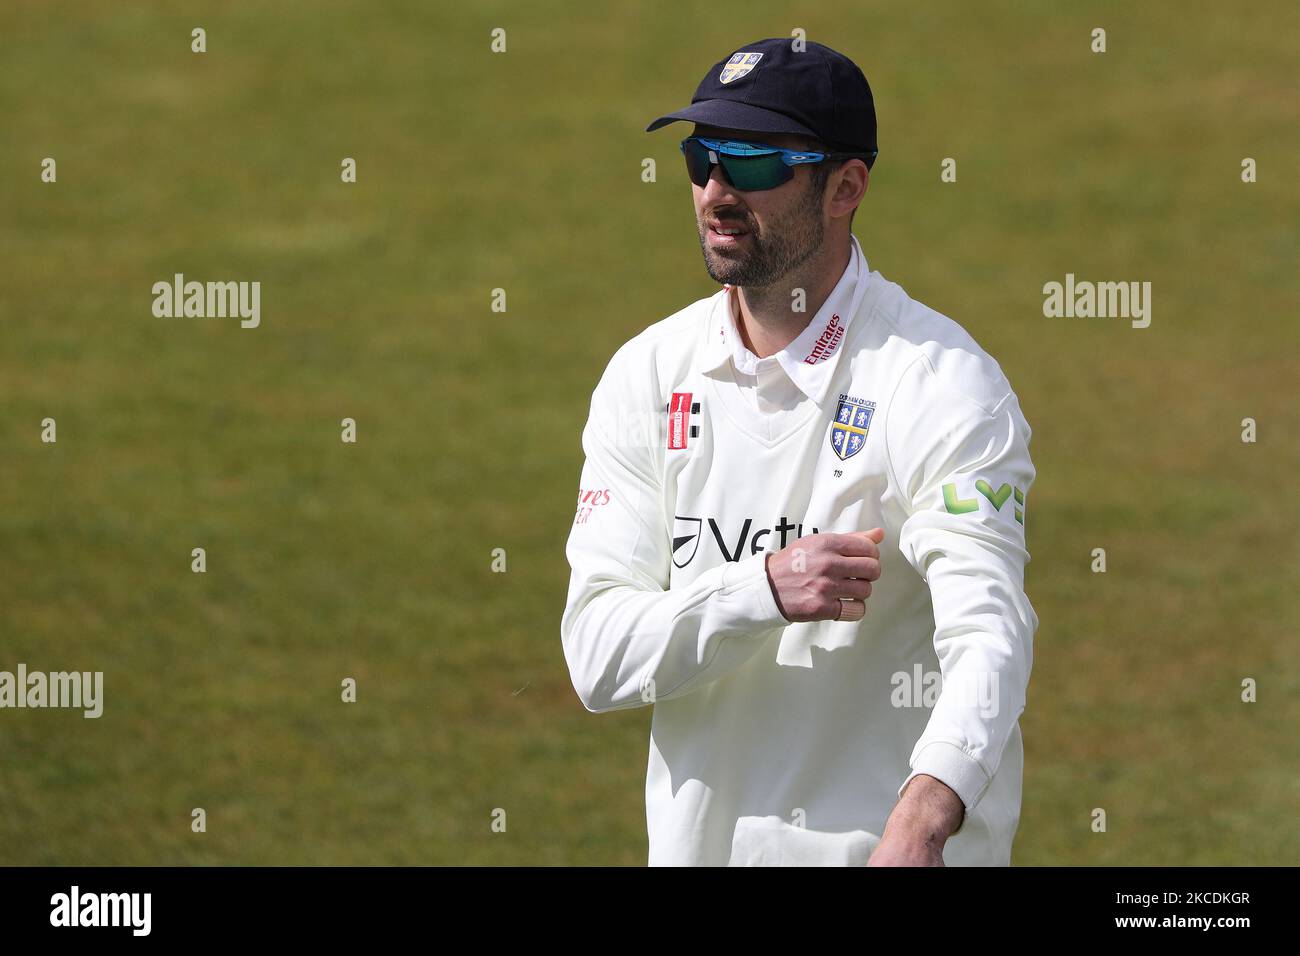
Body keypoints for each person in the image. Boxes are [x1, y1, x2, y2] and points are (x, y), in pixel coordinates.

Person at [561, 37, 1039, 866]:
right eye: (700, 158)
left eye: (752, 164)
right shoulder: (647, 376)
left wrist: (926, 813)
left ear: (845, 187)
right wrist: (763, 590)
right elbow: (599, 659)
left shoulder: (943, 383)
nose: (716, 192)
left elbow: (989, 631)